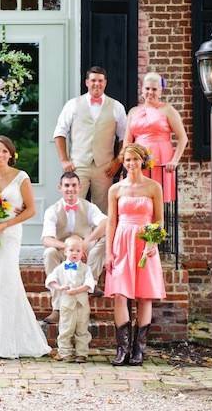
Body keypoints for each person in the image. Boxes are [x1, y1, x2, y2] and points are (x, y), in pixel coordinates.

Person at [0, 135, 51, 359]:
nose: (1, 155)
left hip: (9, 236)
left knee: (7, 282)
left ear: (11, 154)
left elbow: (30, 210)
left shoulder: (21, 177)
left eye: (5, 151)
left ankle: (9, 340)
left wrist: (7, 224)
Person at [104, 143, 166, 366]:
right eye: (127, 160)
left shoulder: (153, 187)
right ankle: (122, 349)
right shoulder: (116, 189)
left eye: (135, 159)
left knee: (144, 295)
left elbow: (159, 219)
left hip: (144, 242)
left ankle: (138, 350)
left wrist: (152, 241)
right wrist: (108, 252)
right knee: (120, 294)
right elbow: (111, 222)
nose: (131, 164)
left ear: (143, 161)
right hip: (121, 241)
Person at [54, 66, 127, 214]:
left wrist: (117, 162)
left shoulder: (116, 107)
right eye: (93, 80)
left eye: (100, 81)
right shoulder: (73, 104)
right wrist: (64, 160)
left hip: (105, 167)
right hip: (78, 165)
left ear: (105, 83)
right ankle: (73, 237)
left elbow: (124, 137)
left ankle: (101, 238)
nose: (97, 84)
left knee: (104, 209)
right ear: (86, 82)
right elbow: (59, 133)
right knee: (73, 205)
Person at [41, 172, 107, 324]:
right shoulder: (52, 210)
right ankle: (57, 308)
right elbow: (46, 239)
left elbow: (105, 223)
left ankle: (92, 282)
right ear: (60, 188)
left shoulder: (89, 207)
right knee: (49, 252)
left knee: (105, 239)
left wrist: (85, 243)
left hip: (85, 249)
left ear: (80, 187)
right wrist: (68, 247)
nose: (70, 189)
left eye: (73, 185)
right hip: (63, 250)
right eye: (66, 185)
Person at [118, 72, 188, 202]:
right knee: (139, 196)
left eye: (154, 89)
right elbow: (127, 141)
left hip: (161, 158)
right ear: (142, 90)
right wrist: (126, 163)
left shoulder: (168, 110)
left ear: (160, 92)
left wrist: (174, 160)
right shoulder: (133, 111)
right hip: (138, 159)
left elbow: (183, 138)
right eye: (147, 88)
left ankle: (158, 222)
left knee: (157, 197)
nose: (150, 92)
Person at [45, 235, 96, 363]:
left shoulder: (86, 269)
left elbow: (90, 284)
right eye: (72, 250)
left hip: (82, 305)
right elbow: (50, 280)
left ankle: (82, 353)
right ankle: (64, 352)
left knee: (82, 329)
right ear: (65, 251)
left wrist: (77, 290)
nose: (75, 253)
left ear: (82, 253)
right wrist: (60, 287)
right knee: (65, 329)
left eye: (78, 251)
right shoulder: (60, 268)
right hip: (67, 305)